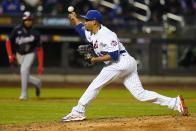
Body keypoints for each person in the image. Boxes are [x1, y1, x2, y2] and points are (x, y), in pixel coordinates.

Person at [62, 9, 188, 122]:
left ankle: (78, 111)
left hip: (120, 62)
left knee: (95, 85)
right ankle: (175, 102)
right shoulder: (93, 33)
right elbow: (80, 29)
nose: (85, 22)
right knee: (141, 94)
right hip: (126, 63)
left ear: (94, 22)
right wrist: (74, 19)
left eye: (87, 20)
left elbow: (114, 55)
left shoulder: (107, 34)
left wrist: (94, 59)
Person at [5, 11, 44, 100]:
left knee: (23, 70)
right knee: (24, 74)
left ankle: (24, 95)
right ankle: (37, 82)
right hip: (19, 54)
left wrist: (41, 65)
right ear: (23, 20)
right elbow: (8, 42)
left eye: (30, 19)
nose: (28, 21)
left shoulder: (35, 33)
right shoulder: (16, 30)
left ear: (32, 21)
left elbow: (40, 49)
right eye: (26, 19)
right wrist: (10, 55)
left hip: (30, 53)